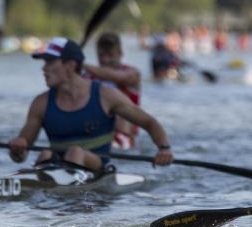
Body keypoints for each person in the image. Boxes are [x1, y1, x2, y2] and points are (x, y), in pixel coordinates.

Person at [9, 37, 173, 172]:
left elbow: (149, 123)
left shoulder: (105, 95)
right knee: (45, 154)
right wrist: (17, 150)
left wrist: (164, 148)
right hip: (55, 164)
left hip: (97, 167)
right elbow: (21, 156)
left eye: (50, 62)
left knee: (75, 152)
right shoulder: (40, 103)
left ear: (70, 66)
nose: (44, 69)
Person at [84, 32, 142, 150]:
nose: (105, 59)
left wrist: (80, 64)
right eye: (101, 55)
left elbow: (120, 78)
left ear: (120, 53)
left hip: (123, 138)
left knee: (121, 108)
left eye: (110, 55)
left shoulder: (132, 73)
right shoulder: (87, 77)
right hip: (94, 136)